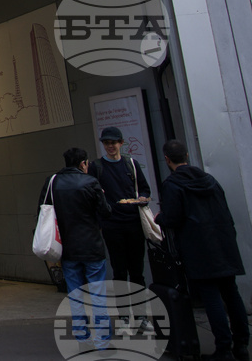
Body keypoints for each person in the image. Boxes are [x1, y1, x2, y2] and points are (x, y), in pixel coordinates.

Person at [156, 141, 249, 361]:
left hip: (198, 247)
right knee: (231, 293)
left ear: (167, 159)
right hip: (223, 243)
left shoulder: (172, 185)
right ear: (187, 155)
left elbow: (172, 218)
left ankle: (224, 349)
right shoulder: (210, 180)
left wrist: (159, 218)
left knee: (211, 297)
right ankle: (242, 345)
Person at [41, 147, 111, 350]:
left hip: (68, 247)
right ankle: (102, 341)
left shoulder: (52, 182)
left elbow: (43, 211)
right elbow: (105, 212)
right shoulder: (91, 182)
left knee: (75, 294)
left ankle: (82, 338)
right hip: (92, 246)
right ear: (83, 163)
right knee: (97, 294)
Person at [87, 127, 151, 290]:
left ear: (121, 143)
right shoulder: (96, 167)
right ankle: (123, 306)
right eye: (106, 143)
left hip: (134, 222)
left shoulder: (131, 164)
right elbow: (91, 197)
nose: (110, 146)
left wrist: (143, 198)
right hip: (112, 224)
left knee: (137, 270)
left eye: (113, 142)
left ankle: (139, 306)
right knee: (119, 270)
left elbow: (144, 188)